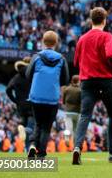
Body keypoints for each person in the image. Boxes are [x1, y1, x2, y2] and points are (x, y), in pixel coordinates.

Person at [72, 7, 112, 164]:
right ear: (105, 20)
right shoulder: (107, 36)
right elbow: (110, 54)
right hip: (105, 80)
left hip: (87, 81)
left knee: (85, 115)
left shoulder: (82, 39)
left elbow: (75, 61)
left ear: (91, 20)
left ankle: (77, 147)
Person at [25, 31, 69, 159]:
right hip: (52, 98)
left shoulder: (36, 57)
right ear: (56, 43)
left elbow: (28, 75)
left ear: (43, 42)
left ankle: (32, 145)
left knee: (38, 123)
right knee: (46, 127)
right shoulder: (61, 58)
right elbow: (65, 80)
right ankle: (41, 154)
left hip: (36, 96)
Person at [6, 57, 33, 150]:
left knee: (23, 126)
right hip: (31, 104)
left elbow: (8, 89)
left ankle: (27, 148)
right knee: (31, 128)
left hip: (20, 105)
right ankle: (30, 148)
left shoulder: (16, 76)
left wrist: (15, 100)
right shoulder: (32, 76)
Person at [62, 75, 81, 142]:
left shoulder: (67, 89)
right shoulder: (80, 90)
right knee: (76, 129)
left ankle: (67, 138)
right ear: (78, 81)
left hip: (68, 111)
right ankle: (75, 144)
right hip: (77, 111)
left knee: (68, 127)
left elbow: (63, 100)